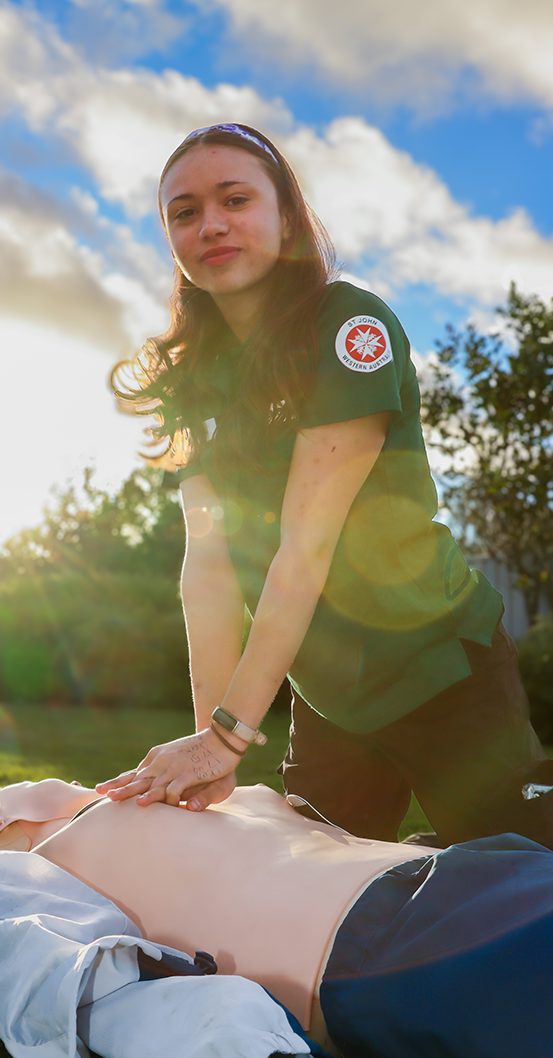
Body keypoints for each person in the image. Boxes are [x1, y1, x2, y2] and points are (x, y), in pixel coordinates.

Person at [99, 122, 553, 848]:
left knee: (524, 875)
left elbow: (305, 547)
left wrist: (230, 733)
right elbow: (209, 570)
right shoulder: (193, 375)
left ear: (286, 217)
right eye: (184, 212)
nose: (211, 223)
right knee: (307, 898)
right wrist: (206, 746)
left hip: (440, 669)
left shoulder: (350, 326)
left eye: (235, 199)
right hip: (331, 697)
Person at [0, 777, 553, 1058]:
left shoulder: (182, 784)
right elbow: (53, 981)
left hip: (468, 873)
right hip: (391, 951)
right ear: (4, 836)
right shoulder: (29, 880)